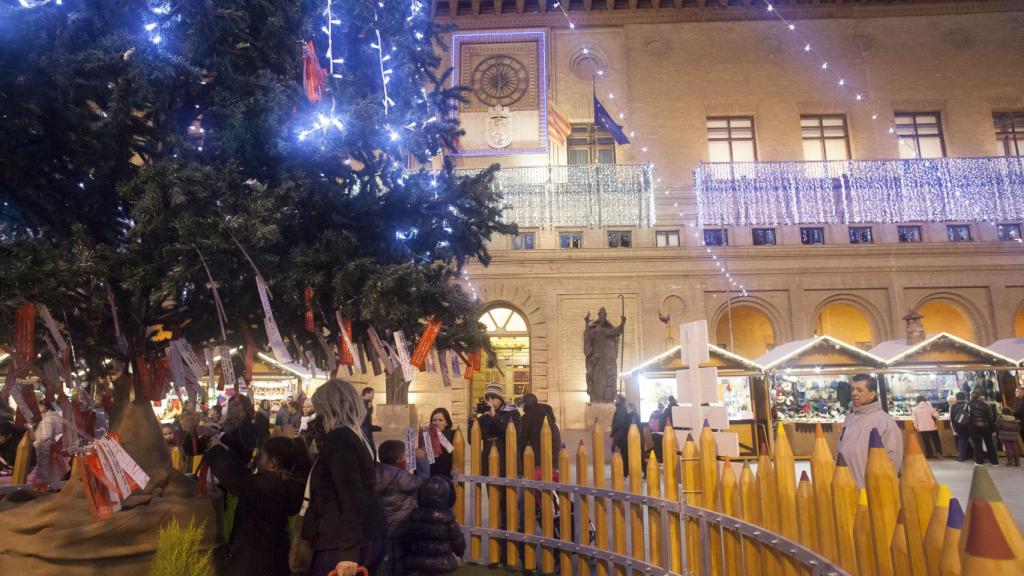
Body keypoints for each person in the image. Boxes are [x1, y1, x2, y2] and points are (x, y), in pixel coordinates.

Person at [301, 379, 386, 576]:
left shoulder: (339, 439)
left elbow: (351, 496)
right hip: (366, 534)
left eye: (320, 410)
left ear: (329, 408)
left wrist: (348, 553)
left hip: (343, 540)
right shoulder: (357, 436)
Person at [207, 435, 310, 576]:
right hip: (275, 560)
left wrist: (216, 449)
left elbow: (233, 476)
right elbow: (244, 475)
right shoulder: (288, 487)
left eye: (260, 456)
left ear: (272, 463)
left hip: (254, 563)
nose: (255, 459)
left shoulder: (269, 489)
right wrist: (225, 449)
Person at [837, 374, 903, 488]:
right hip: (846, 489)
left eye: (860, 390)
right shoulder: (849, 419)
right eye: (853, 389)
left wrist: (879, 487)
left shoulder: (885, 422)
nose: (854, 393)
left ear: (872, 394)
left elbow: (893, 461)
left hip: (871, 491)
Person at [375, 440, 430, 576]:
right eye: (406, 455)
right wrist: (421, 460)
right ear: (399, 459)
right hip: (401, 524)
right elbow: (421, 480)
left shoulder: (374, 471)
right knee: (401, 559)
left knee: (385, 559)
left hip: (382, 526)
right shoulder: (399, 475)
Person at [402, 476, 466, 576]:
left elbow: (407, 538)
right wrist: (460, 552)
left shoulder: (414, 516)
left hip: (418, 562)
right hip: (441, 564)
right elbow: (457, 540)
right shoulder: (447, 518)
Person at [476, 383, 521, 477]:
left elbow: (515, 434)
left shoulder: (512, 413)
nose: (490, 401)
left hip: (507, 464)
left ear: (500, 399)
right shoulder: (485, 416)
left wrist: (495, 416)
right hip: (489, 464)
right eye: (487, 398)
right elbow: (472, 440)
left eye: (493, 398)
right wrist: (473, 420)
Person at [518, 393, 562, 470]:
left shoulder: (527, 417)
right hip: (548, 460)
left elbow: (522, 439)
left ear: (526, 404)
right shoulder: (546, 416)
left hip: (532, 460)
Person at [966, 389, 998, 465]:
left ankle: (979, 461)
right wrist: (993, 430)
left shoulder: (968, 404)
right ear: (979, 396)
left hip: (973, 427)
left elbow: (966, 417)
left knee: (977, 444)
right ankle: (994, 462)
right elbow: (990, 418)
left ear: (971, 396)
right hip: (986, 427)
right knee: (989, 444)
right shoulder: (985, 405)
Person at [428, 408, 455, 479]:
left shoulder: (453, 435)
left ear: (447, 423)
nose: (436, 423)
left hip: (447, 477)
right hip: (432, 476)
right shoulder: (427, 436)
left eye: (440, 420)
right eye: (434, 420)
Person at [949, 392, 973, 462]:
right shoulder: (968, 405)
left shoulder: (953, 406)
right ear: (964, 397)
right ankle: (976, 456)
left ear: (956, 398)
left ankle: (962, 457)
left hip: (959, 426)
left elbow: (952, 418)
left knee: (962, 441)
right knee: (974, 441)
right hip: (969, 426)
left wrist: (955, 428)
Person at [361, 387, 381, 456]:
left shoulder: (366, 403)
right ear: (367, 394)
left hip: (366, 430)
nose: (373, 397)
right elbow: (365, 418)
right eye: (372, 395)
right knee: (370, 451)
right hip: (365, 432)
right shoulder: (362, 404)